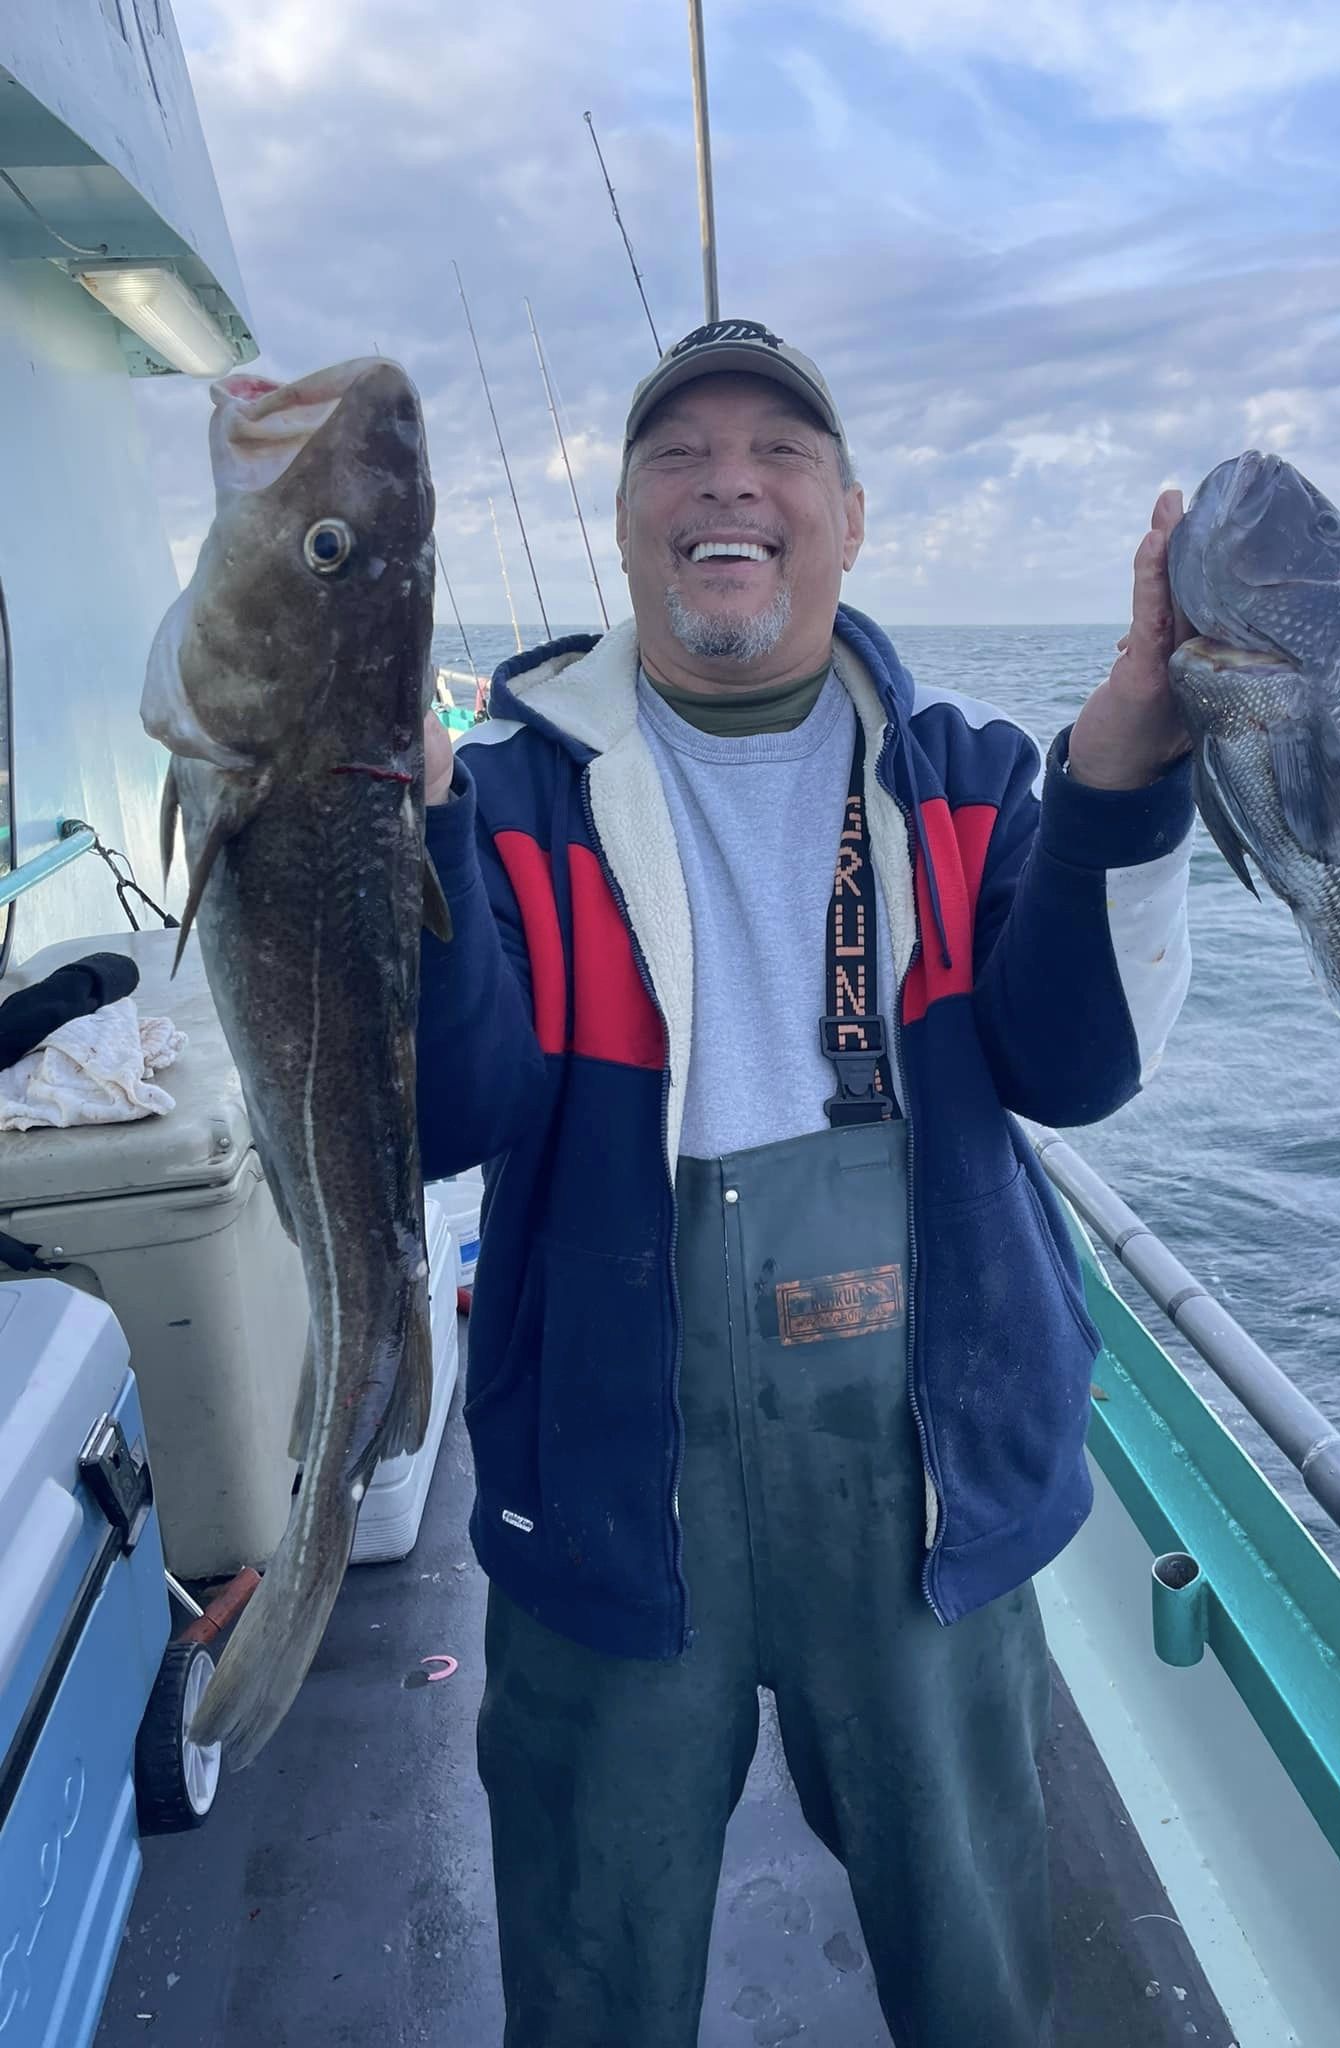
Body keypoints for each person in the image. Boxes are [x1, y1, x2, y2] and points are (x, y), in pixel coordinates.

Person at [417, 318, 1195, 2048]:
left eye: (777, 450)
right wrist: (396, 848)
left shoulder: (975, 781)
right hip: (607, 1482)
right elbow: (436, 1114)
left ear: (850, 515)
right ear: (623, 522)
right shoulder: (501, 798)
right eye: (678, 453)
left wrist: (1128, 767)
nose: (729, 482)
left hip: (929, 1479)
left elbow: (1080, 1066)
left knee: (979, 1972)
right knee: (591, 1975)